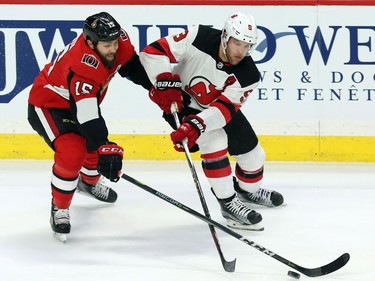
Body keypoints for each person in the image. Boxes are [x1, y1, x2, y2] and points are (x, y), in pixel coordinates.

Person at [140, 12, 284, 231]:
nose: (241, 51)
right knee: (215, 142)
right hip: (181, 104)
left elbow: (224, 109)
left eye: (247, 46)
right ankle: (228, 203)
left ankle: (248, 192)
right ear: (225, 36)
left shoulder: (248, 75)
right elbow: (153, 51)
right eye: (237, 43)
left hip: (215, 111)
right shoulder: (199, 36)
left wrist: (197, 124)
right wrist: (164, 81)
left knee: (255, 156)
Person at [28, 12, 152, 240]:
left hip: (80, 102)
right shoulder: (82, 64)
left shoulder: (118, 41)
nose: (113, 49)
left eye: (114, 42)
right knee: (75, 151)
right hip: (49, 104)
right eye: (107, 45)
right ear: (90, 42)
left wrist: (158, 89)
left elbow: (132, 67)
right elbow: (86, 115)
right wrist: (102, 143)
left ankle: (88, 182)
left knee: (95, 147)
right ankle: (60, 206)